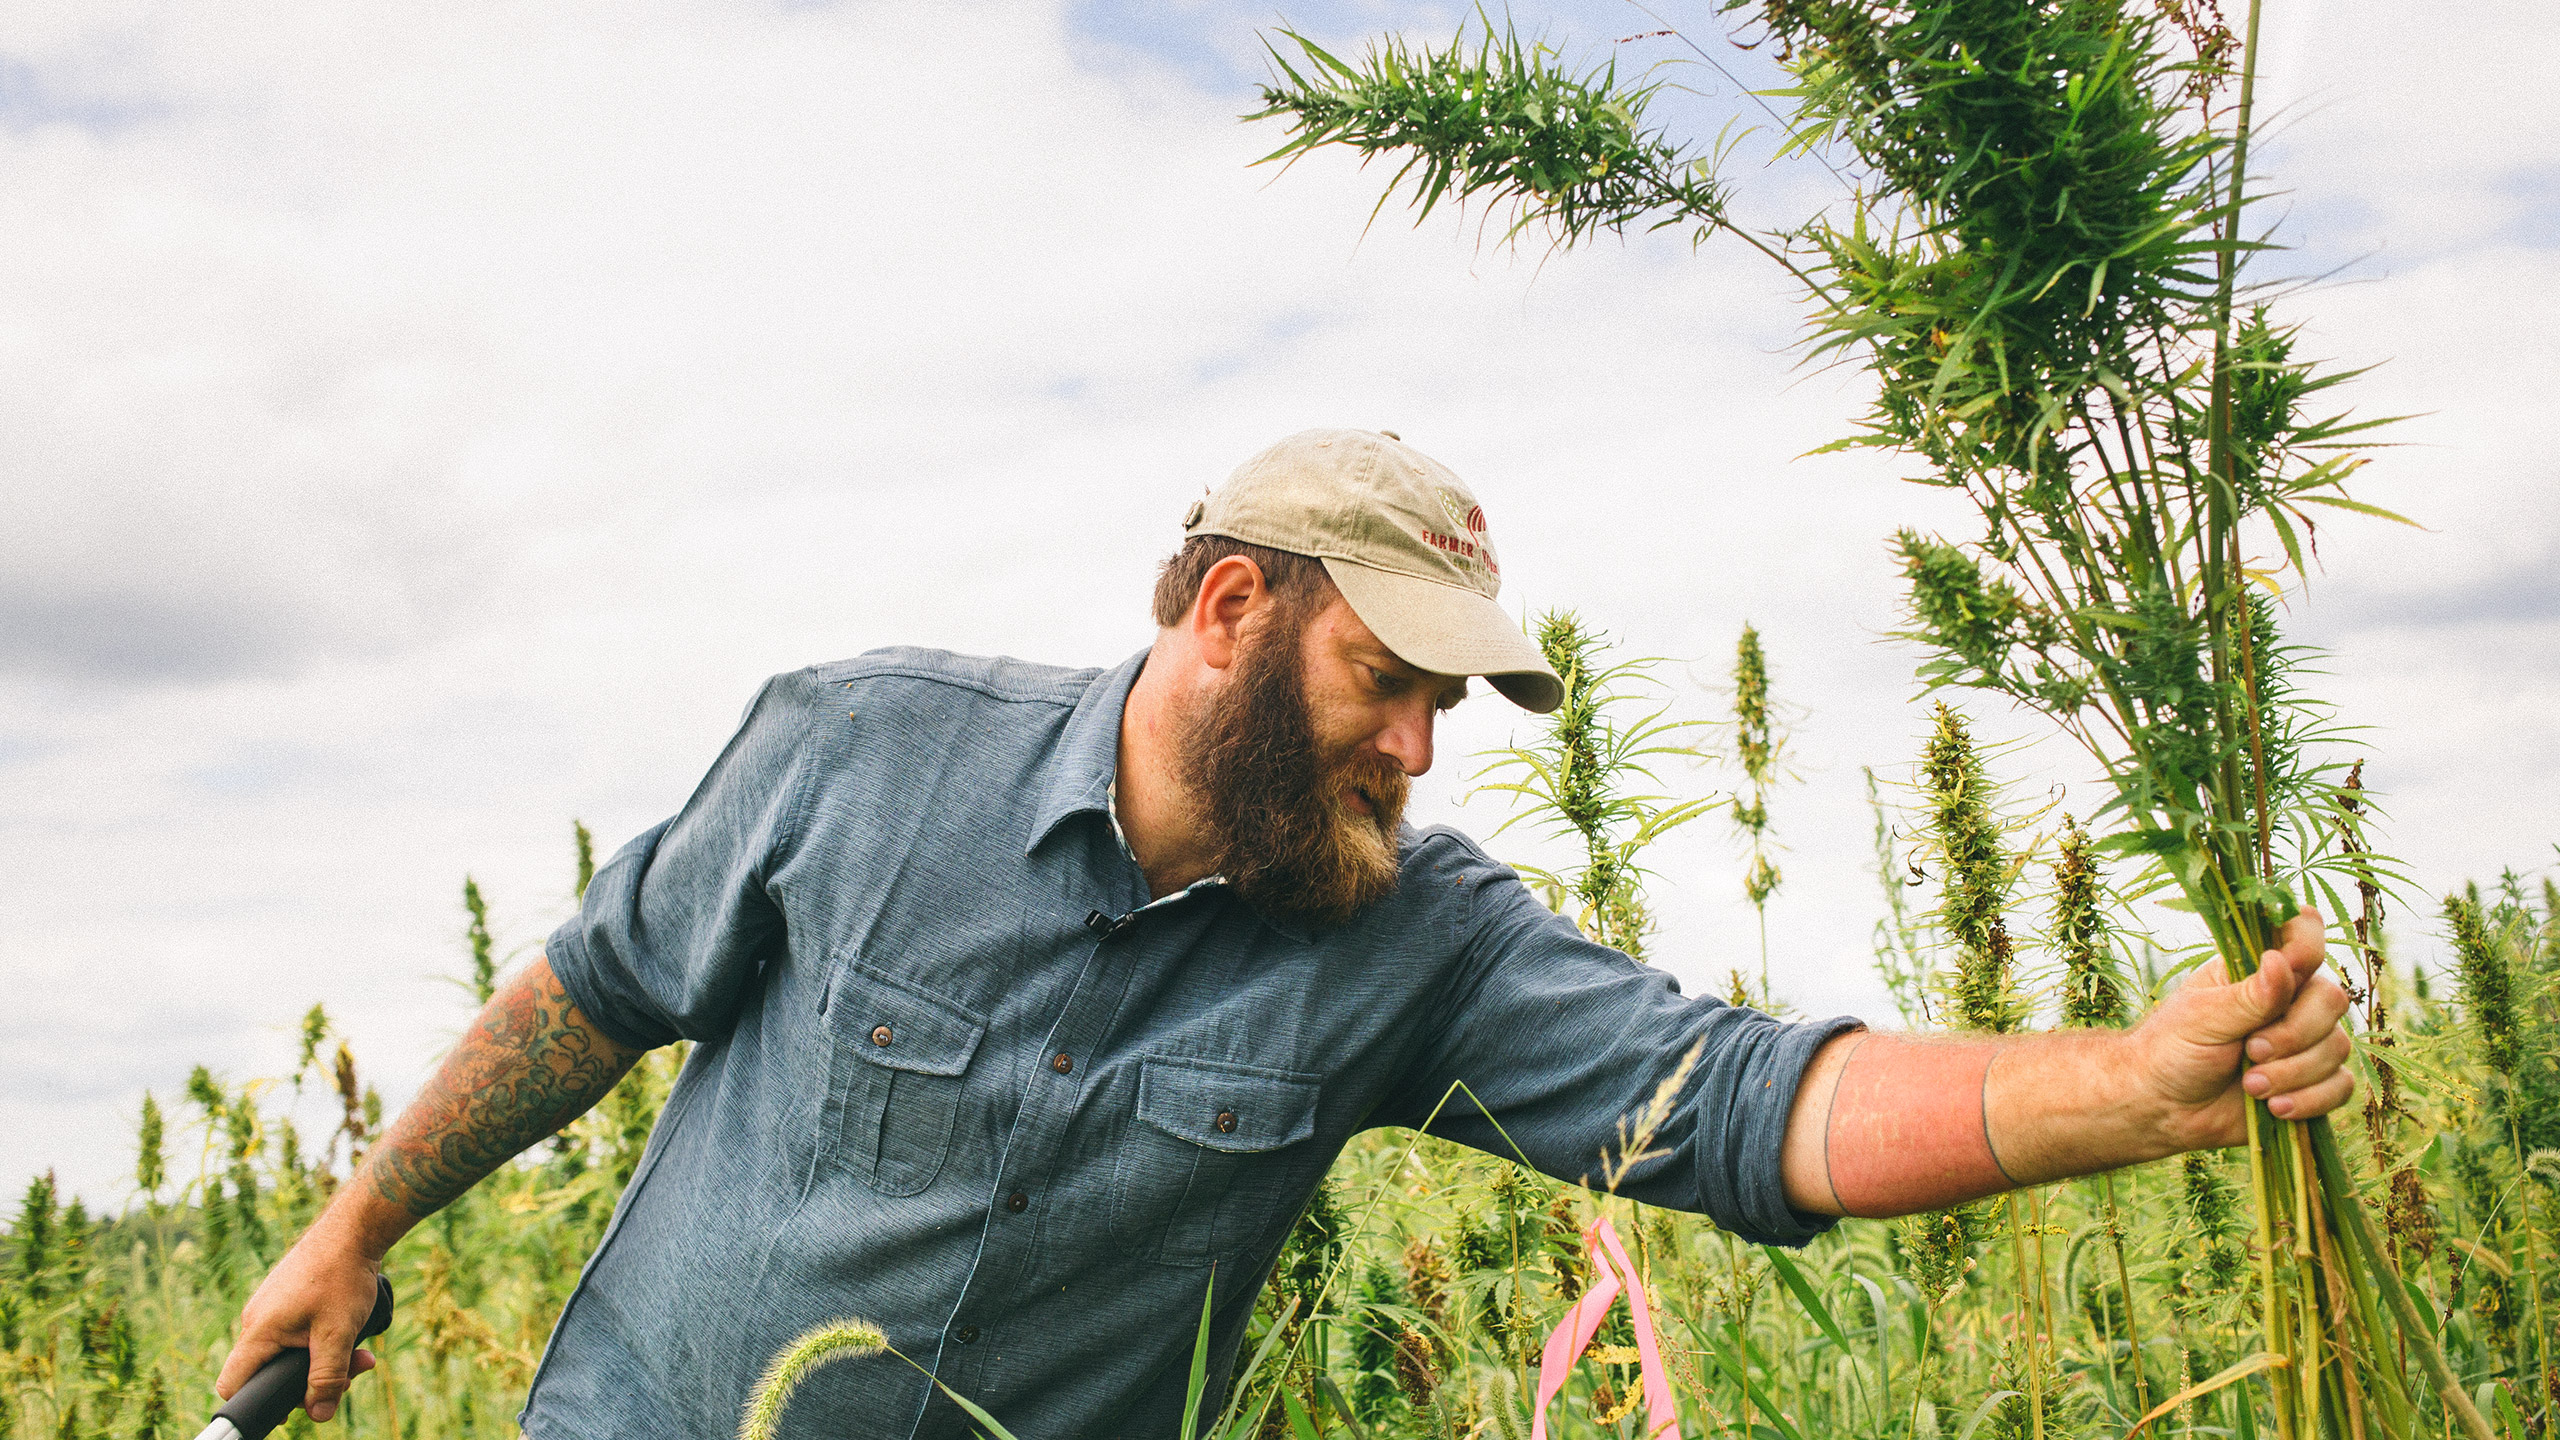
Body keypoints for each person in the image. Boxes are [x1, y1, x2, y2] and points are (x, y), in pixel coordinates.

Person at [218, 429, 2354, 1437]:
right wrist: (356, 1224)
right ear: (1230, 611)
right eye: (1384, 682)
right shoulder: (856, 754)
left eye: (1449, 702)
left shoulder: (1410, 945)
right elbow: (588, 996)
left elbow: (1738, 1109)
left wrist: (2124, 1088)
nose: (1419, 748)